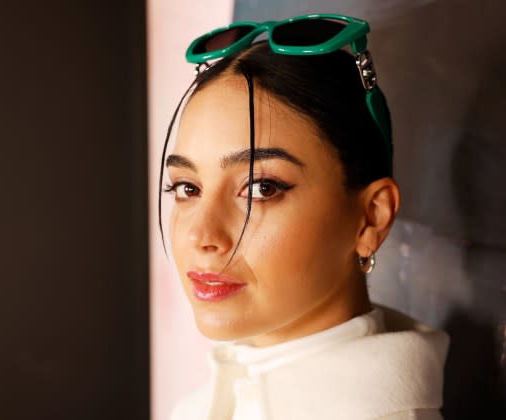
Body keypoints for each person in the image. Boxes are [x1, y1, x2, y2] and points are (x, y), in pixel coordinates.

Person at [159, 14, 449, 420]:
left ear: (371, 219)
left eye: (261, 188)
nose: (201, 236)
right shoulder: (200, 406)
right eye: (187, 188)